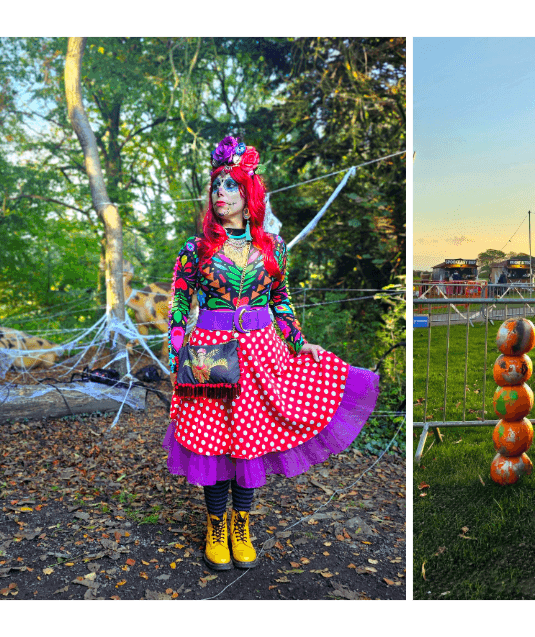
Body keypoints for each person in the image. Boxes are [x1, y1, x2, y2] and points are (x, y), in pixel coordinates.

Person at [162, 136, 380, 571]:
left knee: (250, 443)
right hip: (209, 352)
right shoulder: (197, 247)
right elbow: (179, 302)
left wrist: (300, 342)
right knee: (212, 442)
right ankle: (216, 528)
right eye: (216, 186)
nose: (219, 193)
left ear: (249, 194)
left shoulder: (272, 247)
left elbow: (282, 300)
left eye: (230, 185)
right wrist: (177, 351)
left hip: (264, 353)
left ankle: (241, 526)